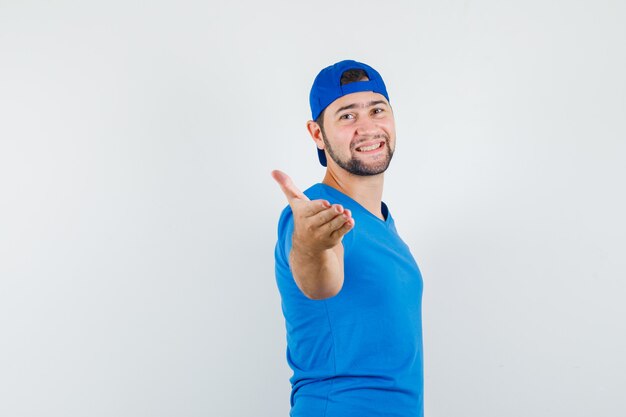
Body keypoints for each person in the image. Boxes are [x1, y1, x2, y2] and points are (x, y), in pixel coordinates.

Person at [272, 59, 424, 417]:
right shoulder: (314, 215)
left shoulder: (383, 224)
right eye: (347, 116)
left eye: (377, 110)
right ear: (316, 133)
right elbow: (321, 282)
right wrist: (311, 245)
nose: (368, 127)